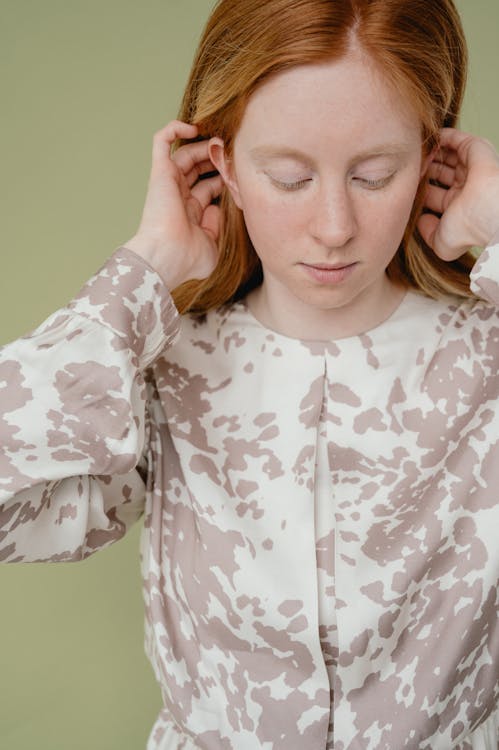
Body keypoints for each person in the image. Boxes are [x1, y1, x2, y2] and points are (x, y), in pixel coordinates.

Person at [1, 0, 498, 747]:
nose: (333, 226)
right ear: (221, 165)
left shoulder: (483, 353)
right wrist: (143, 274)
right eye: (290, 177)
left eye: (373, 174)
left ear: (433, 159)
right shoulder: (163, 364)